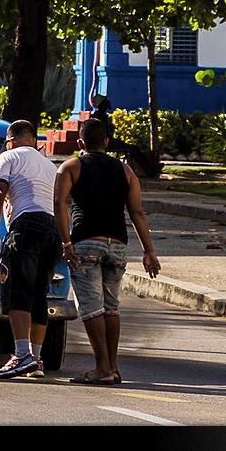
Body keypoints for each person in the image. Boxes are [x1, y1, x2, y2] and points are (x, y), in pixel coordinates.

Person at [54, 117, 161, 385]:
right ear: (106, 141)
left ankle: (102, 368)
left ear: (80, 142)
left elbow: (60, 204)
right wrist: (149, 251)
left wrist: (66, 243)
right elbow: (136, 212)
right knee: (111, 309)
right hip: (118, 245)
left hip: (86, 242)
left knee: (92, 310)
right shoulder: (126, 171)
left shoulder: (70, 167)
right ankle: (112, 367)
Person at [0, 120, 61, 379]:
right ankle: (36, 359)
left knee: (17, 290)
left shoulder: (8, 157)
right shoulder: (49, 165)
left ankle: (21, 354)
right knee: (39, 295)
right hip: (51, 229)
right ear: (34, 141)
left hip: (26, 225)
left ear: (11, 141)